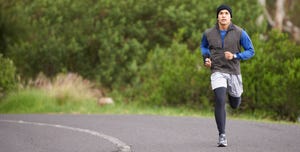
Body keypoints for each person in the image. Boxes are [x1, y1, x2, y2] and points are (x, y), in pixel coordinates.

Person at [200, 4, 255, 147]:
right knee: (219, 99)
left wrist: (236, 55)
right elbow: (204, 46)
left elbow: (251, 50)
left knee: (235, 103)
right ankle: (222, 135)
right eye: (221, 13)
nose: (223, 15)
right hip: (217, 70)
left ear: (230, 16)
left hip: (234, 72)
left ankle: (234, 96)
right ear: (217, 16)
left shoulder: (240, 32)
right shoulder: (208, 33)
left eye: (226, 13)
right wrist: (206, 58)